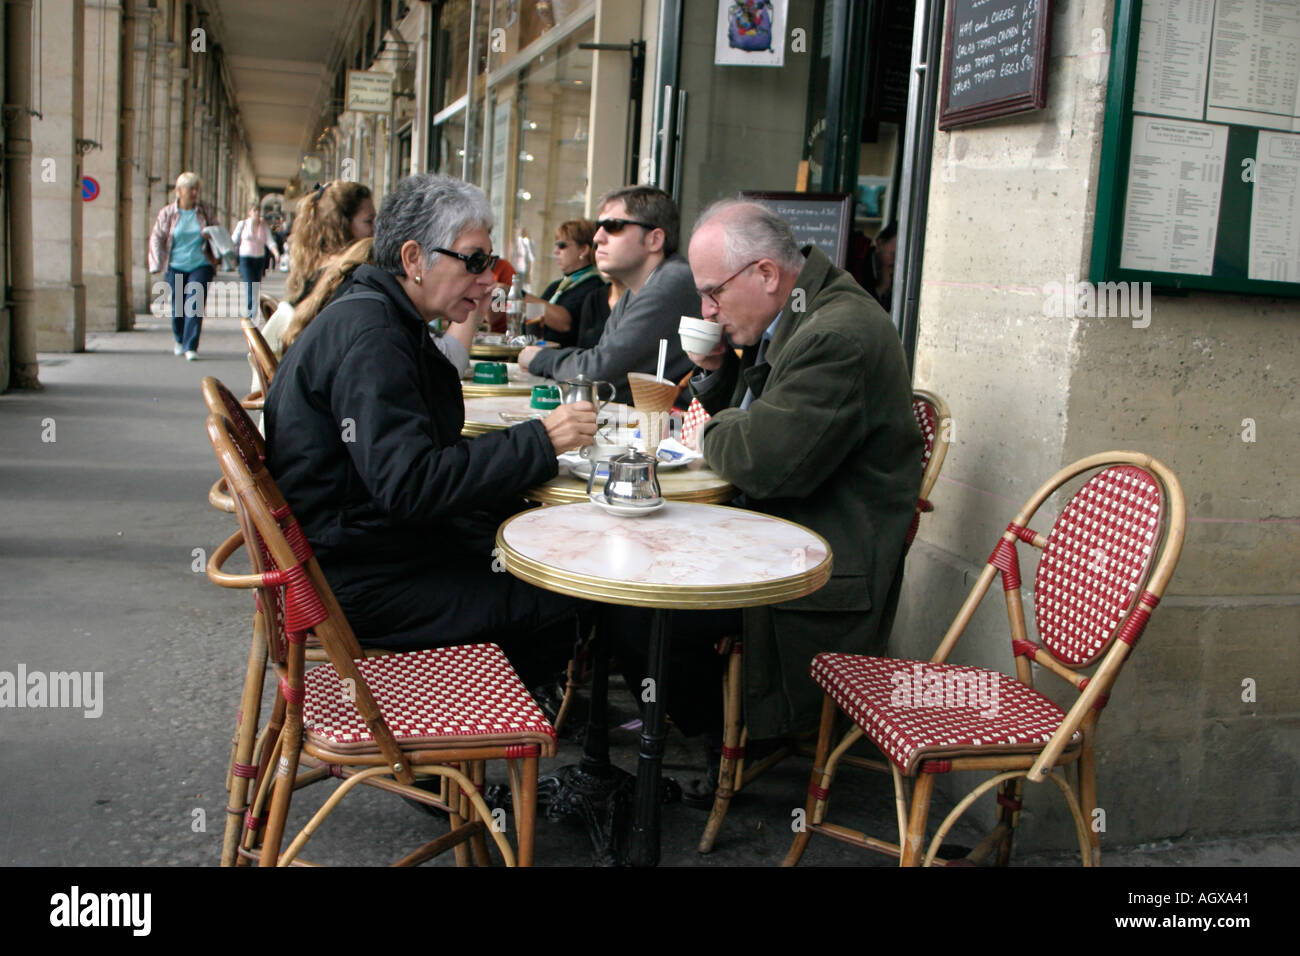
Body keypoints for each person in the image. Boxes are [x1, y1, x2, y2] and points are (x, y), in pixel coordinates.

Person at [263, 174, 597, 681]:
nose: (489, 280)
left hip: (351, 553)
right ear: (414, 259)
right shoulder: (374, 339)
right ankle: (481, 725)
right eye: (474, 261)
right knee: (561, 594)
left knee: (525, 545)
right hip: (354, 581)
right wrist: (542, 439)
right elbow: (411, 485)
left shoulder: (375, 316)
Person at [679, 199, 923, 746]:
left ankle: (718, 744)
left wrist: (710, 429)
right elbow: (756, 419)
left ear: (766, 273)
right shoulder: (801, 311)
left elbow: (760, 462)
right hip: (786, 537)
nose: (707, 311)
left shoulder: (834, 334)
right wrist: (717, 376)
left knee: (648, 611)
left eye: (713, 292)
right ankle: (710, 734)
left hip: (818, 573)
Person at [517, 186, 699, 404]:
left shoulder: (672, 282)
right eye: (598, 227)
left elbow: (598, 375)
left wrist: (538, 357)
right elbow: (602, 365)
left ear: (655, 240)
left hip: (680, 433)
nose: (597, 237)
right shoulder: (637, 290)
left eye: (613, 227)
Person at [261, 181, 375, 358]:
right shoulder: (351, 276)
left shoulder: (310, 265)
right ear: (342, 224)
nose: (375, 230)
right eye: (369, 221)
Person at [148, 171, 219, 361]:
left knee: (194, 305)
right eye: (190, 189)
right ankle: (179, 339)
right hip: (175, 265)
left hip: (201, 264)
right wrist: (156, 262)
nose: (194, 193)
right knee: (178, 306)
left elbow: (218, 231)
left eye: (197, 189)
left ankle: (191, 345)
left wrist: (210, 235)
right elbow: (157, 237)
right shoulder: (168, 213)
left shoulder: (204, 211)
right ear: (179, 191)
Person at [523, 219, 608, 349]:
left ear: (584, 250)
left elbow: (564, 324)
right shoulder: (556, 286)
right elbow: (533, 326)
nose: (555, 251)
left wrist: (522, 296)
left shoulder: (595, 287)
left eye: (562, 245)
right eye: (555, 245)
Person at [231, 203, 280, 318]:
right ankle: (250, 313)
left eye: (258, 211)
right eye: (254, 211)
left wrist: (276, 253)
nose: (257, 213)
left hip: (259, 259)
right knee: (249, 284)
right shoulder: (243, 224)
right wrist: (229, 254)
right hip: (245, 258)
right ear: (249, 212)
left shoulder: (264, 226)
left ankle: (253, 310)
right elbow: (234, 239)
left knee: (256, 285)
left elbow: (269, 241)